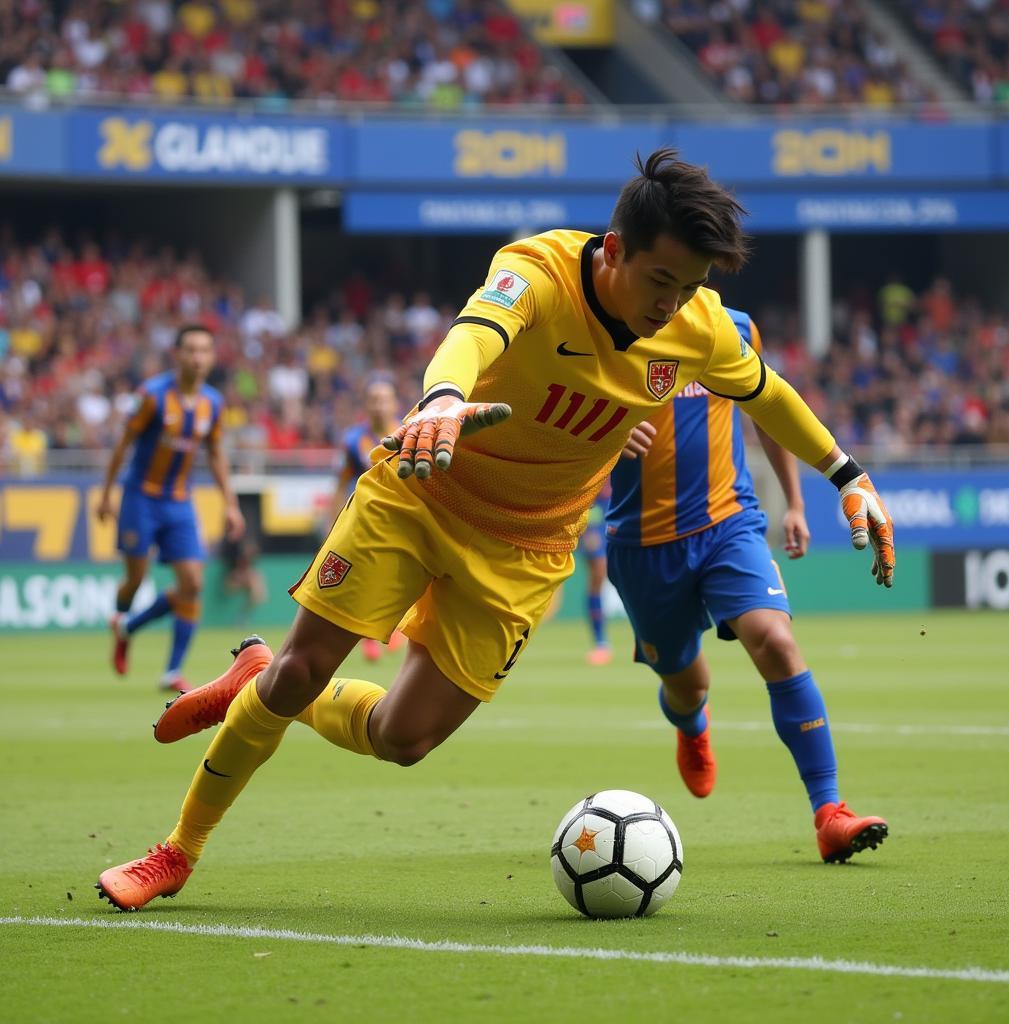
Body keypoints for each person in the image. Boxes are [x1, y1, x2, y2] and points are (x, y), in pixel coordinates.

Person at [95, 150, 894, 910]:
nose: (671, 305)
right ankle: (176, 851)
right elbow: (475, 335)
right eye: (660, 281)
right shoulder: (538, 271)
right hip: (425, 491)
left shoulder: (698, 326)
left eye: (688, 288)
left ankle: (255, 680)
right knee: (307, 669)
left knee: (403, 738)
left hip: (527, 550)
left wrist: (848, 477)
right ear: (614, 249)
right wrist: (443, 396)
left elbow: (769, 393)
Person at [608, 308, 888, 863]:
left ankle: (829, 812)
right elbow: (554, 420)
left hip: (728, 523)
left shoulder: (734, 327)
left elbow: (767, 406)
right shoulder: (607, 327)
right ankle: (692, 723)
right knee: (686, 684)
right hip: (643, 545)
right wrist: (604, 434)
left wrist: (796, 502)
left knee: (778, 643)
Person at [96, 325, 245, 692]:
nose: (197, 357)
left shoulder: (212, 402)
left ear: (212, 357)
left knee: (192, 582)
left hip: (179, 500)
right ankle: (124, 621)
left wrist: (231, 503)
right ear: (177, 354)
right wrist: (105, 493)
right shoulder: (152, 396)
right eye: (190, 350)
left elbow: (214, 454)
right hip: (140, 498)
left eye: (205, 350)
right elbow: (123, 444)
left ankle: (171, 670)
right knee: (135, 578)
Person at [328, 374, 403, 662]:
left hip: (402, 518)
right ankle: (370, 635)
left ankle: (395, 628)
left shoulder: (409, 431)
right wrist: (332, 524)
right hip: (365, 519)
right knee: (363, 578)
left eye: (384, 400)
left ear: (395, 403)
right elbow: (339, 485)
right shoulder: (352, 440)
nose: (379, 405)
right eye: (374, 400)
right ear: (366, 405)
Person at [580, 481, 613, 665]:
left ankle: (644, 639)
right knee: (598, 573)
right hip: (591, 510)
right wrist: (589, 529)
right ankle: (600, 643)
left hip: (614, 508)